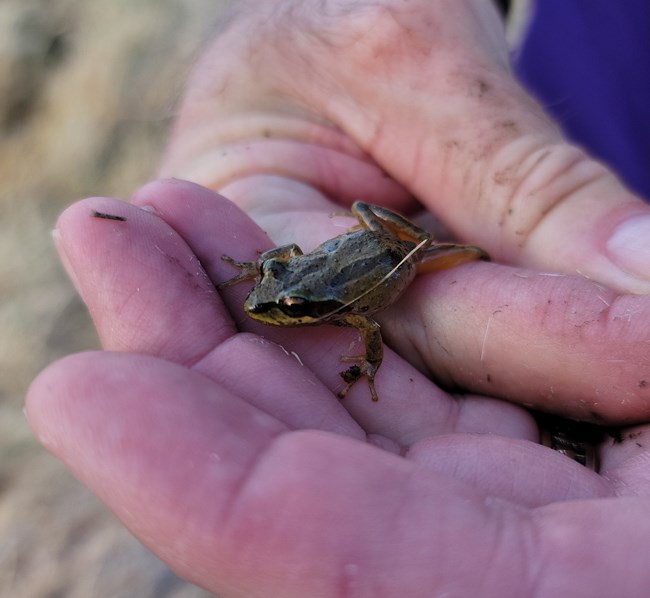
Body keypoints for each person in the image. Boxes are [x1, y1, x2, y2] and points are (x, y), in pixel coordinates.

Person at [26, 1, 650, 595]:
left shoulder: (348, 312)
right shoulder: (301, 288)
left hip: (402, 253)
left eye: (285, 310)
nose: (268, 311)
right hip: (563, 105)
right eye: (276, 302)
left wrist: (366, 371)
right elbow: (286, 259)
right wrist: (314, 37)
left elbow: (371, 333)